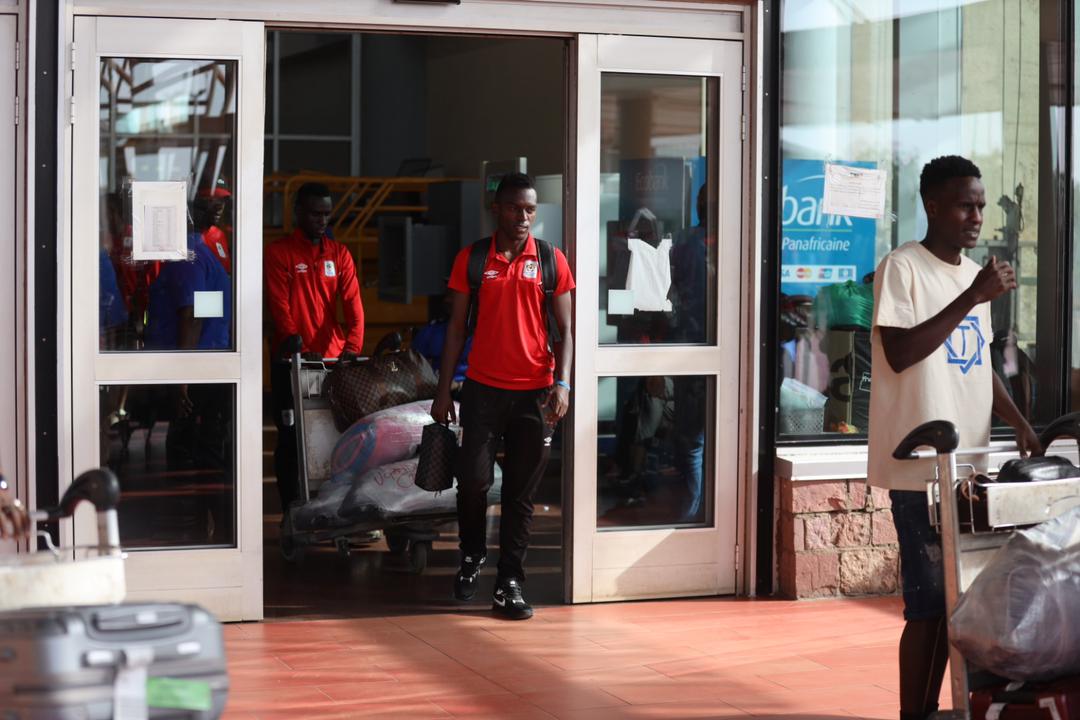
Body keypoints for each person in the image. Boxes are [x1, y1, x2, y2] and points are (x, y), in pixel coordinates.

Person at [867, 155, 1041, 720]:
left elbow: (976, 362)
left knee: (963, 603)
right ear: (933, 206)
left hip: (970, 467)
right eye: (965, 205)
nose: (976, 216)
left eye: (981, 205)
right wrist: (971, 297)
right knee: (927, 606)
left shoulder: (972, 276)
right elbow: (899, 352)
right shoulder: (903, 267)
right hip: (919, 466)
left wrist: (1017, 423)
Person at [431, 172, 574, 620]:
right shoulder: (473, 260)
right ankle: (472, 554)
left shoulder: (551, 260)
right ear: (498, 209)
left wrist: (563, 383)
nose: (524, 217)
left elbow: (567, 330)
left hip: (535, 394)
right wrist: (442, 391)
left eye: (531, 209)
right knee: (473, 481)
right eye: (516, 208)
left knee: (520, 494)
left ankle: (510, 581)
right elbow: (455, 329)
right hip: (483, 391)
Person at [265, 182, 364, 515]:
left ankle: (338, 505)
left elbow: (353, 305)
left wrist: (352, 348)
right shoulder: (279, 253)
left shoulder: (339, 254)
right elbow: (280, 306)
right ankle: (292, 507)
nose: (322, 220)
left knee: (340, 436)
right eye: (314, 213)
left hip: (332, 362)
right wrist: (295, 340)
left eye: (326, 214)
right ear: (298, 213)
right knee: (291, 439)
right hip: (290, 361)